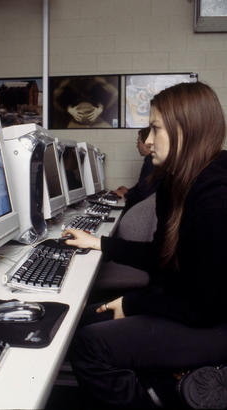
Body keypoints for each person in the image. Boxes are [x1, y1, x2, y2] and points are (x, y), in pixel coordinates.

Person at [63, 81, 227, 409]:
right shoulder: (176, 182)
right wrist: (99, 243)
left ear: (187, 130)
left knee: (88, 345)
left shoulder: (216, 197)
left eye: (155, 128)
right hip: (189, 305)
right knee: (84, 321)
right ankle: (159, 386)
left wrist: (135, 304)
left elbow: (206, 306)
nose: (148, 140)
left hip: (215, 321)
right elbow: (160, 255)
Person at [113, 127, 160, 212]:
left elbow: (143, 193)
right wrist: (127, 191)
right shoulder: (150, 160)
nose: (137, 146)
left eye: (138, 142)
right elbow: (142, 186)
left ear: (148, 143)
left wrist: (126, 195)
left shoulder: (151, 160)